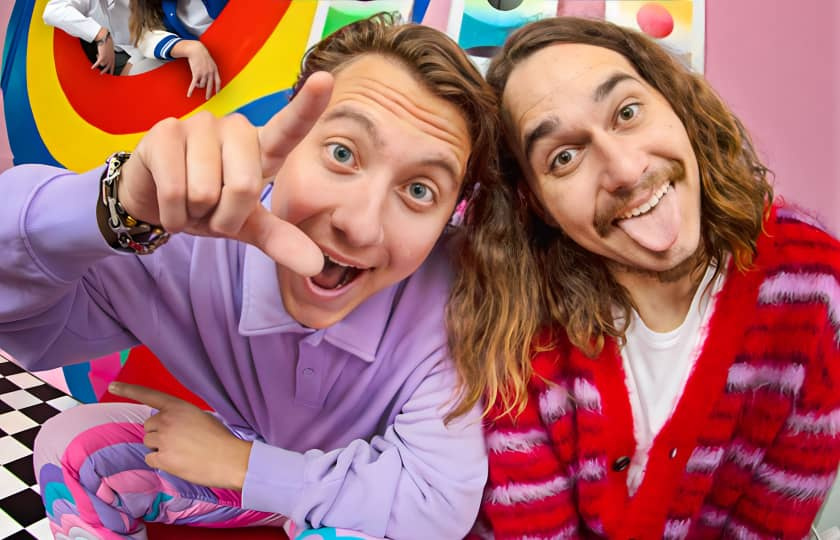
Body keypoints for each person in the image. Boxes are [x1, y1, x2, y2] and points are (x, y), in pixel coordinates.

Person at [0, 13, 498, 540]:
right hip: (241, 469)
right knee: (75, 448)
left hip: (351, 494)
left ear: (450, 217)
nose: (360, 225)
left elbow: (436, 505)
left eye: (420, 190)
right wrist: (114, 206)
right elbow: (22, 322)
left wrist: (245, 464)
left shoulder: (451, 296)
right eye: (342, 153)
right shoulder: (185, 233)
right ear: (291, 134)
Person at [447, 16, 840, 539]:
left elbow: (776, 516)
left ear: (674, 104)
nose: (627, 170)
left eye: (627, 112)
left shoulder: (812, 283)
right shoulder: (515, 326)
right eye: (564, 157)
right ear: (536, 203)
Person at [129, 0, 226, 98]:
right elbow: (145, 36)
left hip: (228, 43)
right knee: (139, 70)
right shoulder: (155, 6)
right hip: (196, 56)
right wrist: (188, 47)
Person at [43, 0, 139, 75]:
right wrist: (100, 34)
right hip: (107, 52)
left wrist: (133, 63)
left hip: (140, 50)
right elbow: (53, 11)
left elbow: (148, 33)